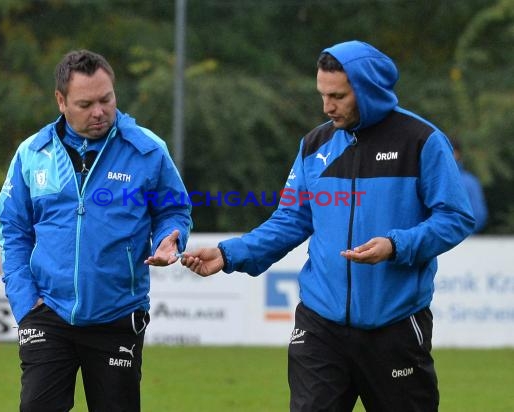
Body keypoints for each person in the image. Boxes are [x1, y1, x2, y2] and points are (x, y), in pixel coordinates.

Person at [181, 40, 475, 412]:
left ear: (367, 90)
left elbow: (456, 217)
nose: (326, 106)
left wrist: (396, 245)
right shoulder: (313, 145)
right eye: (322, 94)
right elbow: (291, 219)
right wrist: (228, 253)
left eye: (337, 96)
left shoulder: (422, 141)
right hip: (320, 324)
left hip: (396, 324)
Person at [0, 49, 191, 412]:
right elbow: (12, 229)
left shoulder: (147, 150)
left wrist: (171, 238)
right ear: (61, 101)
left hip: (118, 314)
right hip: (47, 312)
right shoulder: (32, 154)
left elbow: (174, 209)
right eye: (86, 104)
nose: (99, 112)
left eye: (107, 99)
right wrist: (26, 302)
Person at [451, 137, 488, 233]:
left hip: (464, 242)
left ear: (457, 153)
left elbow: (479, 215)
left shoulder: (469, 182)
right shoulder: (427, 179)